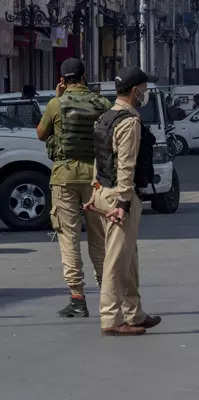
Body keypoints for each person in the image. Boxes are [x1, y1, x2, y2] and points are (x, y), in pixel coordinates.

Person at [86, 66, 162, 336]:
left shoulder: (106, 117)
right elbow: (125, 166)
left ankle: (134, 313)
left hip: (103, 193)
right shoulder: (129, 121)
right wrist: (123, 203)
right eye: (143, 90)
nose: (144, 94)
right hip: (121, 197)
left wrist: (96, 190)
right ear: (134, 91)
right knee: (117, 261)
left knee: (129, 258)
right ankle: (111, 318)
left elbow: (99, 157)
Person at [36, 58, 112, 318]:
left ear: (63, 79)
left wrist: (58, 97)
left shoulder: (56, 103)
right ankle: (107, 294)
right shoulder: (102, 103)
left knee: (68, 237)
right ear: (84, 76)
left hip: (65, 176)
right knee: (99, 238)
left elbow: (41, 133)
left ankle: (78, 298)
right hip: (96, 178)